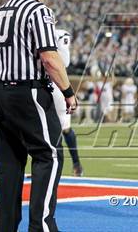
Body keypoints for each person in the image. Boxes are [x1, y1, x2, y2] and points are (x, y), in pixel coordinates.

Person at [0, 0, 77, 232]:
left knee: (9, 166)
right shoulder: (38, 11)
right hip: (29, 92)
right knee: (49, 156)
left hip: (1, 92)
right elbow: (50, 59)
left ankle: (5, 228)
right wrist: (68, 92)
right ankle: (42, 227)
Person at [52, 29, 83, 176]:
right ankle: (76, 164)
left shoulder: (32, 32)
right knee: (64, 128)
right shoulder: (59, 34)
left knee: (44, 128)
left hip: (44, 83)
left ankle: (46, 167)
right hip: (57, 83)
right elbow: (65, 61)